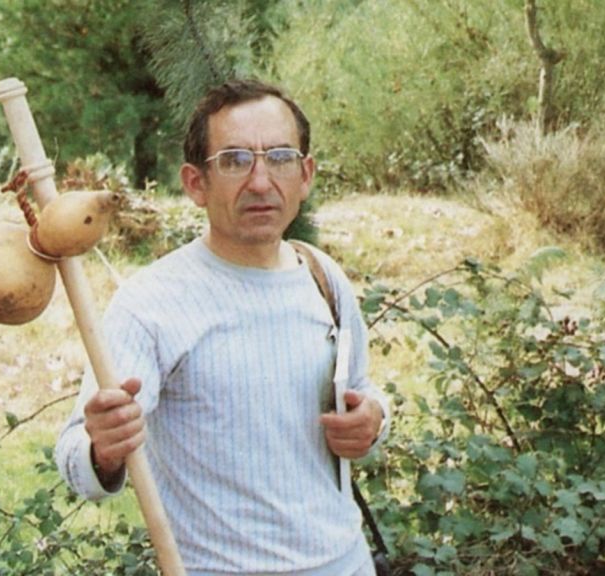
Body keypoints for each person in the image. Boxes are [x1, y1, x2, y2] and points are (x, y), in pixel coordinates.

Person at [55, 78, 390, 576]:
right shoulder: (151, 303)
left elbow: (363, 393)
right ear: (196, 183)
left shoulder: (323, 276)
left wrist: (373, 422)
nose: (260, 181)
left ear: (305, 175)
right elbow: (75, 460)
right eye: (234, 161)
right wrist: (104, 449)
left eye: (279, 157)